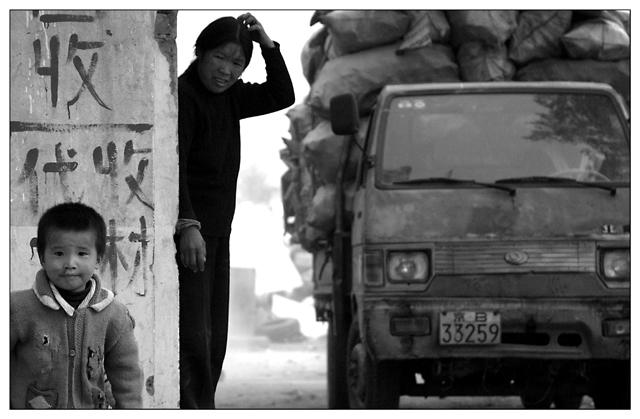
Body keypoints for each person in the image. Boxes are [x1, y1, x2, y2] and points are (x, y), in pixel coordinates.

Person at [176, 13, 295, 408]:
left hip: (218, 232)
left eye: (237, 62)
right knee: (194, 336)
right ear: (200, 53)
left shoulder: (231, 97)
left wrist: (266, 46)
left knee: (214, 338)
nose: (227, 70)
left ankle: (202, 407)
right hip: (190, 235)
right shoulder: (182, 97)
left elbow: (282, 95)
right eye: (219, 58)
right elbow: (173, 165)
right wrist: (187, 224)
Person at [10, 202, 144, 409]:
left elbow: (126, 373)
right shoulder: (17, 309)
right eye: (59, 253)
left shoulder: (114, 315)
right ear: (42, 258)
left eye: (82, 254)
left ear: (98, 259)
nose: (70, 263)